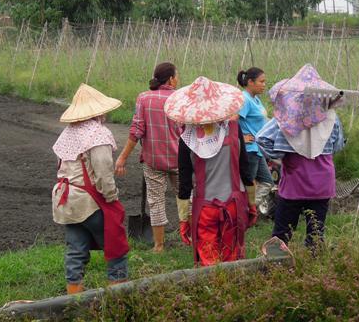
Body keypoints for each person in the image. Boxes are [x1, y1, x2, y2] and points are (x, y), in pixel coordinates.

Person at [164, 76, 256, 266]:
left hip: (205, 209)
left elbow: (185, 182)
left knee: (208, 262)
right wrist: (252, 203)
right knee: (232, 261)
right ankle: (232, 293)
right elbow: (245, 170)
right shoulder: (234, 129)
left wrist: (183, 219)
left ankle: (212, 293)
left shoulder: (187, 138)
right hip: (233, 204)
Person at [256, 64, 345, 252]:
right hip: (322, 182)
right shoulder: (332, 118)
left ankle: (275, 268)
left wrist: (279, 156)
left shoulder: (286, 118)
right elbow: (337, 145)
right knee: (316, 233)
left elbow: (261, 139)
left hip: (294, 182)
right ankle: (313, 270)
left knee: (281, 233)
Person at [52, 83, 129, 294]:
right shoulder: (98, 134)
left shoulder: (67, 134)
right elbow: (104, 171)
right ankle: (119, 295)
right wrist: (112, 197)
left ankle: (73, 297)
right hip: (89, 201)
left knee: (76, 250)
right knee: (116, 247)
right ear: (98, 111)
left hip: (67, 201)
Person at [114, 62, 181, 253]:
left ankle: (159, 245)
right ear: (170, 79)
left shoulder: (144, 98)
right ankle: (190, 236)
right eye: (177, 76)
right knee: (185, 197)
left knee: (156, 201)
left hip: (153, 161)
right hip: (179, 160)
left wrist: (122, 158)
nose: (178, 79)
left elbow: (136, 131)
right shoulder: (179, 99)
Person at [236, 67, 275, 205]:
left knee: (266, 182)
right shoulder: (244, 99)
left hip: (257, 149)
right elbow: (232, 120)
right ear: (251, 82)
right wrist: (240, 137)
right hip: (249, 150)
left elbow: (261, 119)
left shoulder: (255, 99)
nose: (264, 85)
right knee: (247, 184)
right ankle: (244, 213)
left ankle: (249, 210)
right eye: (261, 81)